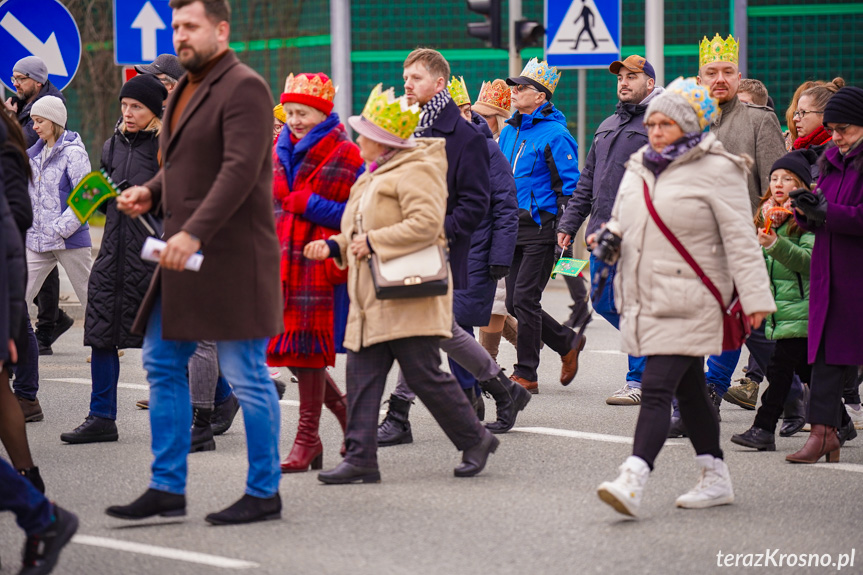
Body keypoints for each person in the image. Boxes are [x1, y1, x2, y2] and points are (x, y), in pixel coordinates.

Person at [109, 0, 283, 524]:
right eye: (176, 26)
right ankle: (167, 486)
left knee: (247, 373)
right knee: (162, 364)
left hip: (232, 260)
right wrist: (151, 192)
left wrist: (192, 232)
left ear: (221, 29)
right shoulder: (182, 87)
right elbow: (185, 168)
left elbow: (236, 171)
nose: (181, 35)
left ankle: (264, 490)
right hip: (183, 257)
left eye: (191, 26)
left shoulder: (245, 87)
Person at [595, 78, 775, 518]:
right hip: (646, 293)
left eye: (666, 123)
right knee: (692, 392)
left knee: (656, 388)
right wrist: (610, 238)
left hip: (694, 296)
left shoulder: (720, 168)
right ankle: (715, 476)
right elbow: (623, 218)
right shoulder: (640, 163)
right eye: (652, 122)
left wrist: (755, 298)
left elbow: (740, 239)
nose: (655, 130)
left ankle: (633, 478)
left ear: (690, 125)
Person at [306, 84, 499, 484]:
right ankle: (361, 458)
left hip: (408, 296)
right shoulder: (373, 174)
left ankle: (475, 438)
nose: (358, 139)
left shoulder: (417, 170)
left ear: (383, 141)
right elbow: (360, 229)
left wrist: (373, 243)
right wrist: (334, 244)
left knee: (427, 377)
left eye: (365, 134)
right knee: (361, 378)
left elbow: (427, 225)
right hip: (374, 297)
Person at [377, 49, 520, 445]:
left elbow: (482, 204)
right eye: (405, 76)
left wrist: (438, 233)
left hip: (444, 249)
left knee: (423, 329)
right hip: (410, 247)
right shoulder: (406, 127)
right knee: (437, 329)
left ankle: (401, 414)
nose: (407, 83)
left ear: (440, 83)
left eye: (417, 77)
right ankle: (504, 392)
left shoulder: (467, 135)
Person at [60, 75, 167, 444]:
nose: (128, 112)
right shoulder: (111, 145)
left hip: (150, 257)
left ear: (154, 110)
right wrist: (98, 194)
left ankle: (217, 400)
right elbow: (102, 198)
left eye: (136, 106)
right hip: (111, 255)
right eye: (124, 105)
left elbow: (174, 198)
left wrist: (143, 194)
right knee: (101, 334)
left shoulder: (166, 145)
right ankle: (101, 417)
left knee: (171, 340)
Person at [268, 71, 362, 472]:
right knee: (289, 350)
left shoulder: (346, 153)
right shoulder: (279, 148)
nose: (295, 120)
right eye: (290, 113)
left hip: (319, 263)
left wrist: (307, 203)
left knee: (306, 353)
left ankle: (307, 438)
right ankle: (349, 420)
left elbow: (358, 215)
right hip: (281, 260)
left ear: (322, 113)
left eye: (303, 112)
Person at [557, 54, 661, 406]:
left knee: (633, 304)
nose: (624, 82)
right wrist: (570, 224)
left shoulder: (660, 124)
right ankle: (657, 348)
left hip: (640, 233)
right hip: (602, 234)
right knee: (602, 302)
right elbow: (587, 181)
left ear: (649, 82)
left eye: (632, 76)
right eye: (620, 77)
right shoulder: (607, 125)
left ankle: (639, 379)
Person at [785, 86, 863, 464]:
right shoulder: (831, 157)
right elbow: (822, 213)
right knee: (826, 357)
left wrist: (827, 211)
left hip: (856, 273)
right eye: (832, 128)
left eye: (844, 129)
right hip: (829, 273)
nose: (836, 137)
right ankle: (823, 433)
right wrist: (805, 210)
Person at [499, 58, 583, 394]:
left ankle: (526, 374)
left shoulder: (557, 134)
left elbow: (571, 187)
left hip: (541, 229)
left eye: (522, 88)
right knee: (513, 304)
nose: (515, 92)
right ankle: (566, 342)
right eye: (514, 86)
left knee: (524, 299)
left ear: (541, 97)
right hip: (510, 229)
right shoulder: (508, 130)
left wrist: (566, 229)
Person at [448, 75, 526, 432]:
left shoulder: (486, 147)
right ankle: (486, 397)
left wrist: (500, 256)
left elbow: (506, 205)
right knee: (450, 331)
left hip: (476, 254)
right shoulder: (439, 143)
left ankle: (490, 395)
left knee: (453, 330)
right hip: (447, 253)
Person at [730, 151, 815, 451]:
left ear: (802, 183)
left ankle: (763, 429)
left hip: (801, 308)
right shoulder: (767, 215)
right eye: (774, 178)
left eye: (788, 179)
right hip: (778, 309)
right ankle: (841, 423)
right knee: (804, 371)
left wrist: (775, 245)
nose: (779, 184)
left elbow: (808, 261)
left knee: (779, 371)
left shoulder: (806, 217)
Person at [4, 56, 72, 360]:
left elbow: (91, 190)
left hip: (69, 233)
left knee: (88, 291)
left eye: (21, 79)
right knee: (24, 287)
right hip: (41, 222)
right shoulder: (30, 121)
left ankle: (101, 337)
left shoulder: (70, 147)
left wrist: (66, 225)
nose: (15, 84)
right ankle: (42, 326)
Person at [24, 96, 92, 352]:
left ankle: (106, 347)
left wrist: (61, 228)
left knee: (90, 297)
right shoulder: (34, 155)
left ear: (54, 122)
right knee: (16, 295)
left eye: (40, 121)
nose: (35, 127)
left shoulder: (75, 153)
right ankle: (11, 348)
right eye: (33, 121)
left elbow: (88, 195)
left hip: (69, 239)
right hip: (37, 241)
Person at [472, 79, 520, 370]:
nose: (478, 119)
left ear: (499, 120)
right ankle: (535, 339)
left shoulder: (505, 146)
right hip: (476, 230)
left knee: (496, 299)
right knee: (487, 300)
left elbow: (505, 199)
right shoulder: (475, 141)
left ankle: (486, 363)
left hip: (503, 229)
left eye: (485, 115)